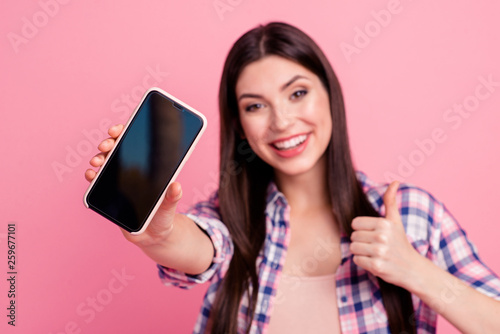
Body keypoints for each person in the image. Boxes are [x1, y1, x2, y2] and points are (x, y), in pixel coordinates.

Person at [85, 22, 500, 334]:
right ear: (239, 124)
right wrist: (160, 232)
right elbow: (199, 246)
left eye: (297, 93)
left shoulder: (407, 213)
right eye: (255, 106)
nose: (282, 121)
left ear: (329, 95)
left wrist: (416, 271)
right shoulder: (228, 215)